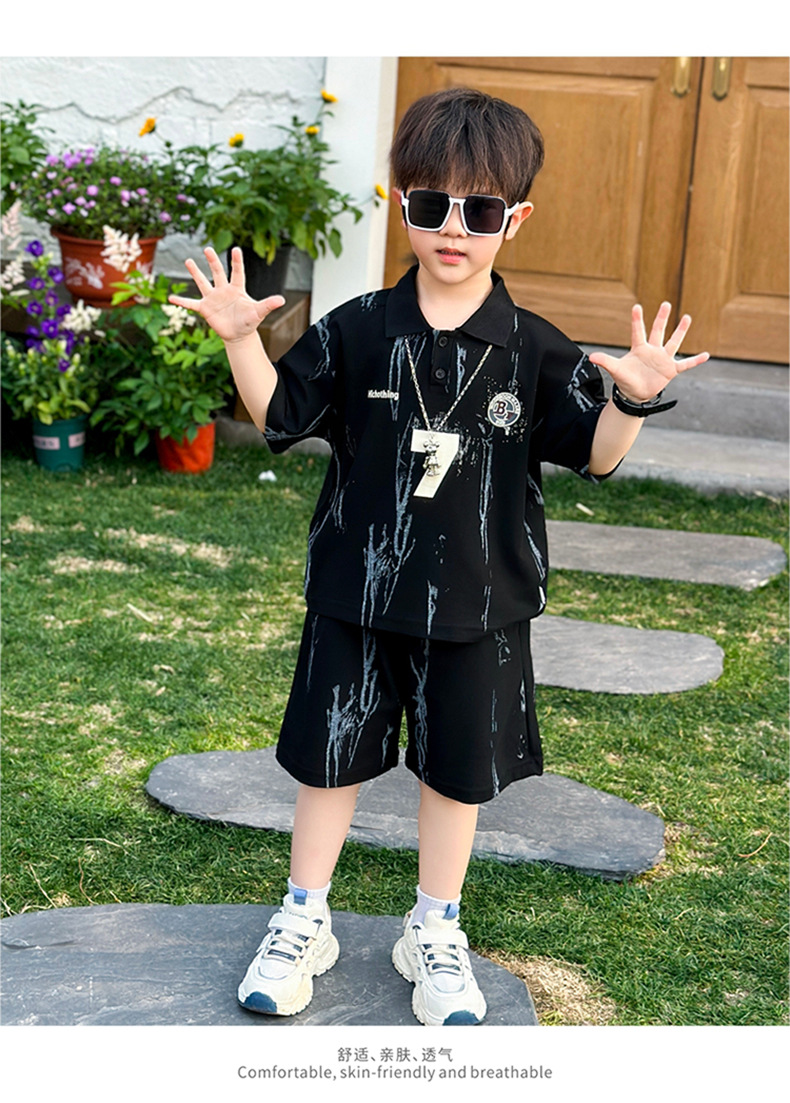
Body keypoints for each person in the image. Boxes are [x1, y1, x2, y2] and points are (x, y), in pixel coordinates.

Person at [170, 87, 709, 1026]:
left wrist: (631, 399)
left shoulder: (533, 347)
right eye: (432, 204)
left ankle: (434, 925)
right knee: (329, 762)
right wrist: (242, 339)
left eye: (480, 210)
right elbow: (280, 414)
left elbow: (594, 454)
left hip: (481, 603)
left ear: (515, 220)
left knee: (456, 774)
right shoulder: (358, 328)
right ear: (400, 205)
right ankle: (304, 916)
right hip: (356, 592)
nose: (454, 227)